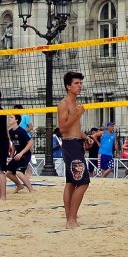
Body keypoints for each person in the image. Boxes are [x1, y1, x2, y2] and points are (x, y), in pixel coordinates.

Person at [58, 71, 90, 229]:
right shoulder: (64, 103)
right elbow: (63, 128)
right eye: (76, 83)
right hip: (70, 146)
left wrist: (85, 137)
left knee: (71, 182)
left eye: (80, 83)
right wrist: (77, 114)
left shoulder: (75, 104)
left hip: (76, 143)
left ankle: (70, 217)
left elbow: (74, 128)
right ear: (68, 86)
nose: (80, 86)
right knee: (83, 182)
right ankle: (71, 219)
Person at [6, 114, 34, 193]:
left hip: (25, 154)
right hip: (17, 154)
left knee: (19, 172)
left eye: (11, 117)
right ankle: (19, 185)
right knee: (8, 172)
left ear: (16, 120)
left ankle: (31, 190)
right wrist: (12, 155)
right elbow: (15, 143)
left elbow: (30, 142)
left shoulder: (21, 131)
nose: (9, 119)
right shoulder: (10, 131)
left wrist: (21, 153)